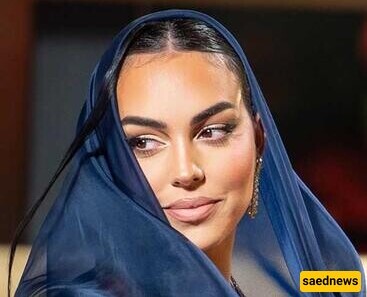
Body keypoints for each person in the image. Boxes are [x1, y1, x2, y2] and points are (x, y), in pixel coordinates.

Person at [9, 9, 365, 297]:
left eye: (212, 132)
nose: (186, 170)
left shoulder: (317, 279)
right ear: (108, 162)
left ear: (259, 139)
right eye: (144, 142)